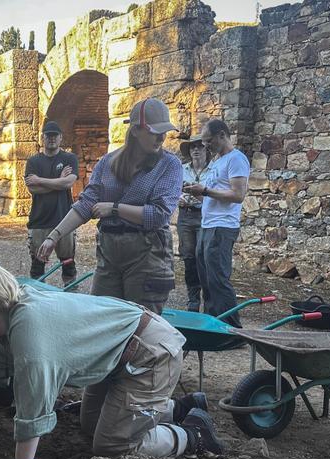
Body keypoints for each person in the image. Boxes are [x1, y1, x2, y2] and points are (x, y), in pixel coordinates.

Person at [0, 264, 224, 459]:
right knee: (90, 425)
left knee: (112, 446)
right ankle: (178, 407)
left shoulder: (32, 341)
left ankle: (193, 434)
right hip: (117, 355)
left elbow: (33, 408)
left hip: (151, 356)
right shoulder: (9, 305)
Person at [37, 97, 183, 313]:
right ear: (135, 131)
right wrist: (54, 236)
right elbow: (86, 204)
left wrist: (114, 208)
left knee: (138, 324)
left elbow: (159, 215)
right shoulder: (107, 163)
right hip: (109, 254)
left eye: (164, 131)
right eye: (154, 132)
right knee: (101, 318)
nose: (162, 137)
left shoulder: (169, 165)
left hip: (148, 256)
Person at [183, 119, 249, 327]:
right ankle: (213, 322)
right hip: (208, 223)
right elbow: (213, 196)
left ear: (222, 135)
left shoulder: (236, 159)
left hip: (223, 226)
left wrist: (205, 190)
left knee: (218, 279)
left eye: (208, 141)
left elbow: (238, 195)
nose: (205, 146)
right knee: (206, 278)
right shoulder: (218, 161)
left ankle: (231, 328)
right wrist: (196, 192)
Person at [24, 121, 79, 285]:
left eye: (55, 135)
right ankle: (38, 295)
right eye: (48, 135)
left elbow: (68, 183)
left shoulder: (69, 158)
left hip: (64, 220)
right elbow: (33, 189)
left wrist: (40, 180)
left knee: (68, 263)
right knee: (37, 265)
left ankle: (71, 295)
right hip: (39, 220)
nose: (51, 139)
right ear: (43, 138)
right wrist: (58, 181)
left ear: (61, 138)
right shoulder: (33, 161)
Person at [177, 135, 210, 312]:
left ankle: (209, 298)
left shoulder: (213, 170)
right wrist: (178, 198)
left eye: (200, 146)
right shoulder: (182, 169)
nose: (196, 150)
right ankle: (193, 299)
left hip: (205, 215)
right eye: (192, 147)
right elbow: (172, 190)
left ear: (206, 150)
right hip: (186, 215)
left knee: (204, 257)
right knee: (189, 257)